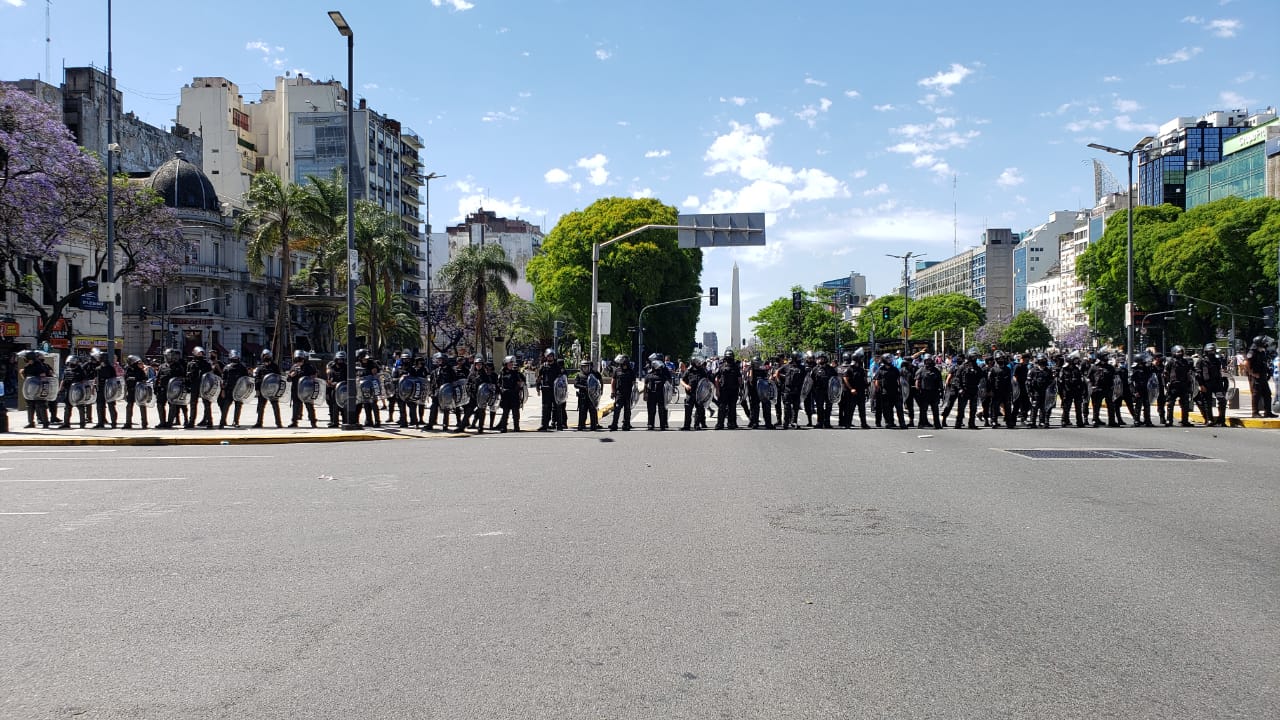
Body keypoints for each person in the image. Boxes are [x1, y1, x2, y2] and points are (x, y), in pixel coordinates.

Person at [1195, 343, 1228, 427]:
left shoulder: (1217, 360)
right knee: (1207, 402)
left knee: (1222, 400)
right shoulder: (1201, 361)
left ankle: (1221, 420)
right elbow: (1198, 374)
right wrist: (1201, 385)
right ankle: (1209, 419)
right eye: (1211, 351)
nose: (1212, 353)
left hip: (1217, 383)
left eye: (1213, 351)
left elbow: (1220, 372)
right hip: (1206, 384)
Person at [425, 352, 458, 432]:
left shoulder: (450, 370)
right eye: (438, 360)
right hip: (436, 392)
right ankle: (430, 424)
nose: (439, 361)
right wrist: (431, 392)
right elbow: (432, 382)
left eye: (441, 360)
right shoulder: (435, 371)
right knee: (433, 408)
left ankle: (445, 425)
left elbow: (454, 381)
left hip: (446, 393)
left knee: (446, 409)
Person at [1163, 345, 1195, 427]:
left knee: (1185, 404)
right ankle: (1169, 420)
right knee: (1170, 403)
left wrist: (1190, 383)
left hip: (1183, 385)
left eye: (1181, 352)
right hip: (1173, 385)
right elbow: (1165, 373)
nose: (1179, 353)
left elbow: (1190, 372)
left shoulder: (1186, 362)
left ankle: (1185, 420)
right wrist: (1166, 383)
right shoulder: (1170, 361)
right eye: (1178, 352)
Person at [1245, 337, 1277, 418]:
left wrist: (1268, 372)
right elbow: (1246, 364)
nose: (1265, 344)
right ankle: (1255, 412)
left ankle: (1268, 412)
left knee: (1267, 393)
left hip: (1262, 376)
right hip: (1255, 376)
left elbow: (1263, 363)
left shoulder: (1261, 351)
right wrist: (1253, 373)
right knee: (1256, 394)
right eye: (1263, 342)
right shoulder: (1252, 352)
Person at [21, 351, 53, 429]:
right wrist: (22, 373)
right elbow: (25, 378)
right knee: (30, 406)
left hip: (39, 389)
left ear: (31, 358)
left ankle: (45, 423)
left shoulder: (39, 366)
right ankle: (31, 423)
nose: (25, 360)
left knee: (41, 405)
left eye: (26, 358)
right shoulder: (28, 366)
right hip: (30, 389)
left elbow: (43, 377)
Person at [287, 349, 319, 428]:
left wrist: (311, 377)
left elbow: (315, 376)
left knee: (309, 406)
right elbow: (288, 379)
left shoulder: (309, 367)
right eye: (297, 359)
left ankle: (313, 422)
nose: (299, 361)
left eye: (300, 359)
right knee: (295, 407)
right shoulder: (293, 367)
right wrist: (291, 375)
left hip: (306, 391)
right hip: (296, 390)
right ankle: (294, 422)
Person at [252, 349, 284, 429]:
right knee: (260, 407)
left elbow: (279, 378)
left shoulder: (275, 366)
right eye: (265, 356)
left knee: (275, 406)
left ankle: (278, 423)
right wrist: (257, 390)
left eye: (268, 356)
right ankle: (259, 423)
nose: (266, 357)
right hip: (262, 390)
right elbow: (257, 379)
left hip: (273, 390)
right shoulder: (260, 367)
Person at [185, 346, 214, 429]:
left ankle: (209, 421)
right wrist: (187, 385)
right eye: (198, 353)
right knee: (193, 404)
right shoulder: (191, 363)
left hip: (204, 385)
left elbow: (210, 375)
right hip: (194, 385)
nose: (200, 354)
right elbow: (187, 375)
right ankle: (191, 422)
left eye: (201, 353)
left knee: (207, 404)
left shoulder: (206, 363)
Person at [219, 349, 249, 429]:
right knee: (226, 406)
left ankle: (235, 421)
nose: (235, 359)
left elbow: (246, 379)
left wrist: (245, 390)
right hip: (229, 390)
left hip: (239, 390)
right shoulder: (227, 368)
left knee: (238, 406)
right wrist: (223, 390)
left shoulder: (242, 367)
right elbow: (223, 380)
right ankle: (222, 422)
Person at [536, 349, 564, 432]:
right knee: (545, 408)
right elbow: (539, 377)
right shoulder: (543, 366)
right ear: (546, 356)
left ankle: (559, 425)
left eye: (551, 356)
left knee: (557, 407)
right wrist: (538, 387)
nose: (550, 357)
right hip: (546, 389)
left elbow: (561, 378)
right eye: (548, 356)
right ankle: (544, 425)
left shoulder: (557, 366)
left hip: (555, 390)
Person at [680, 356, 711, 431]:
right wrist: (686, 385)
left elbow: (706, 380)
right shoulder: (689, 371)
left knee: (699, 410)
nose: (698, 363)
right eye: (697, 362)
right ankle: (686, 426)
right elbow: (682, 380)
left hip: (699, 395)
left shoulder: (702, 370)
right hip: (690, 394)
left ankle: (697, 425)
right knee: (688, 410)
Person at [953, 350, 983, 429]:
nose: (974, 358)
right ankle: (958, 423)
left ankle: (971, 423)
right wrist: (959, 388)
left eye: (975, 357)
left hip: (973, 389)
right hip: (964, 389)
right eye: (973, 357)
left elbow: (982, 377)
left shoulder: (977, 367)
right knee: (961, 408)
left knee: (973, 408)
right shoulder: (962, 367)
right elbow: (956, 379)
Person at [807, 351, 837, 429]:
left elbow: (836, 380)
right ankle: (819, 422)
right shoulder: (815, 369)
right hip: (818, 391)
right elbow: (811, 380)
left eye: (822, 358)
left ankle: (827, 422)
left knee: (829, 407)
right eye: (819, 358)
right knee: (819, 407)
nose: (821, 360)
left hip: (828, 391)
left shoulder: (831, 369)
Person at [1088, 351, 1118, 428]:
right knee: (1096, 405)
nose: (1107, 358)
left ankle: (1112, 421)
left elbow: (1115, 377)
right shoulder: (1094, 367)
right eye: (1105, 356)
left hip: (1108, 388)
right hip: (1097, 389)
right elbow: (1089, 378)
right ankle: (1095, 420)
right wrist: (1092, 386)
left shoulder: (1110, 367)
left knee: (1111, 405)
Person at [89, 348, 118, 429]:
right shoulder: (98, 368)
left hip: (109, 390)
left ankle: (113, 423)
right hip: (100, 389)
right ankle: (100, 423)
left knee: (111, 406)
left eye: (100, 357)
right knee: (99, 406)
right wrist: (93, 387)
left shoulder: (110, 368)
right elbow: (96, 378)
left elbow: (114, 380)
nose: (99, 359)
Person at [714, 349, 743, 430]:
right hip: (724, 390)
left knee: (731, 408)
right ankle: (722, 424)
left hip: (732, 390)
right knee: (723, 408)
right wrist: (717, 390)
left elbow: (739, 379)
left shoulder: (735, 367)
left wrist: (741, 389)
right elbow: (716, 378)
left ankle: (729, 423)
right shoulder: (721, 367)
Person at [496, 356, 525, 432]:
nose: (511, 365)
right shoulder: (502, 373)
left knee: (515, 413)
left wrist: (519, 385)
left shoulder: (516, 373)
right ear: (506, 364)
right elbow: (499, 383)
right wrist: (500, 390)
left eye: (512, 363)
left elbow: (521, 382)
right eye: (509, 363)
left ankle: (516, 427)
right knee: (505, 412)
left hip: (514, 394)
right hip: (505, 395)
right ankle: (503, 427)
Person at [776, 352, 805, 430]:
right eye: (798, 358)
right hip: (787, 389)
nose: (800, 359)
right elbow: (777, 372)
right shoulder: (786, 366)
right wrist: (779, 381)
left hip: (797, 389)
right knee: (787, 407)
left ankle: (794, 421)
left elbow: (807, 378)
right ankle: (786, 422)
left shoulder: (802, 367)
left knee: (796, 407)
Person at [914, 354, 943, 429]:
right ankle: (921, 424)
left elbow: (940, 381)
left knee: (935, 410)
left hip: (934, 392)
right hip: (924, 392)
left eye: (929, 360)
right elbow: (917, 380)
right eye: (927, 360)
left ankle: (937, 424)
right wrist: (918, 390)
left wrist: (941, 391)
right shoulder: (921, 370)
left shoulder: (936, 370)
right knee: (923, 410)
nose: (928, 362)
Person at [608, 354, 636, 432]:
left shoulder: (631, 371)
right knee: (617, 409)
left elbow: (634, 383)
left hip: (628, 394)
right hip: (619, 393)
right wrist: (613, 392)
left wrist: (634, 395)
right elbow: (613, 381)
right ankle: (614, 424)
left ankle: (626, 424)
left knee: (627, 410)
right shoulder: (617, 370)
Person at [746, 356, 775, 430]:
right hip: (754, 391)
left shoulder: (763, 368)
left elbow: (769, 375)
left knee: (765, 407)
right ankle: (755, 422)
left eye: (758, 363)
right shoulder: (751, 369)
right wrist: (751, 369)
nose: (757, 364)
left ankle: (767, 423)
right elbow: (750, 379)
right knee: (755, 408)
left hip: (763, 390)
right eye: (756, 363)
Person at [354, 349, 381, 427]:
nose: (365, 359)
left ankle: (377, 421)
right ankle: (369, 420)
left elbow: (375, 374)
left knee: (373, 404)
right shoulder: (358, 364)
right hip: (362, 387)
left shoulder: (372, 364)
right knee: (366, 404)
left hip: (372, 386)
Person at [574, 359, 603, 431]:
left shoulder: (594, 374)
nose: (585, 368)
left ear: (589, 367)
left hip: (592, 396)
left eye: (586, 367)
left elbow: (599, 382)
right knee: (582, 412)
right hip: (583, 396)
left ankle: (594, 425)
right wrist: (584, 387)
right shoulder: (579, 375)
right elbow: (576, 384)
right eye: (583, 367)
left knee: (593, 411)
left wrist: (600, 390)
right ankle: (581, 425)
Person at [1128, 353, 1156, 427]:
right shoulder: (1135, 370)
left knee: (1147, 405)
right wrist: (1134, 392)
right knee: (1138, 406)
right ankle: (1136, 421)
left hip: (1147, 390)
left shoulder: (1148, 369)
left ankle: (1147, 420)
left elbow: (1154, 376)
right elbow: (1130, 381)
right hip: (1138, 390)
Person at [325, 351, 348, 428]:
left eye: (341, 360)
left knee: (343, 406)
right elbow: (328, 378)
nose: (340, 361)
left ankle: (345, 421)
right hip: (333, 389)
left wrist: (338, 383)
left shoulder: (346, 368)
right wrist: (329, 384)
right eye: (338, 359)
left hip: (343, 389)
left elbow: (348, 379)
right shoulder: (331, 367)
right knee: (333, 406)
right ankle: (334, 422)